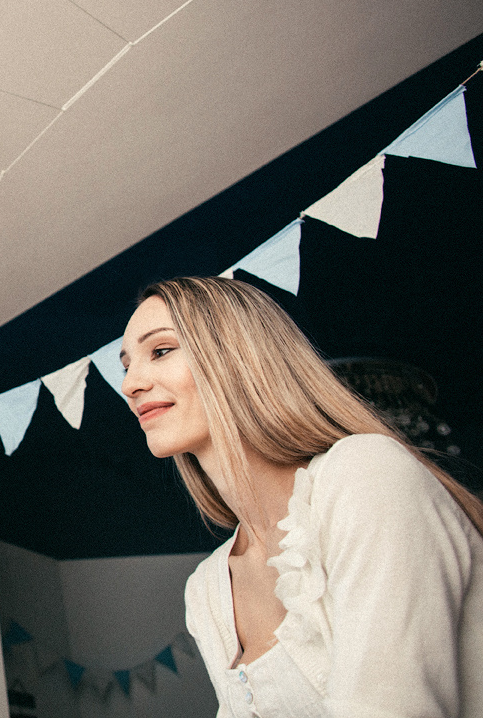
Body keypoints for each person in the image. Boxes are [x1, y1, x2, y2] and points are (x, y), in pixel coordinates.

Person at [118, 276, 483, 716]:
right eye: (125, 366)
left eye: (160, 351)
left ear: (238, 357)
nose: (130, 384)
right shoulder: (207, 589)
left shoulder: (365, 474)